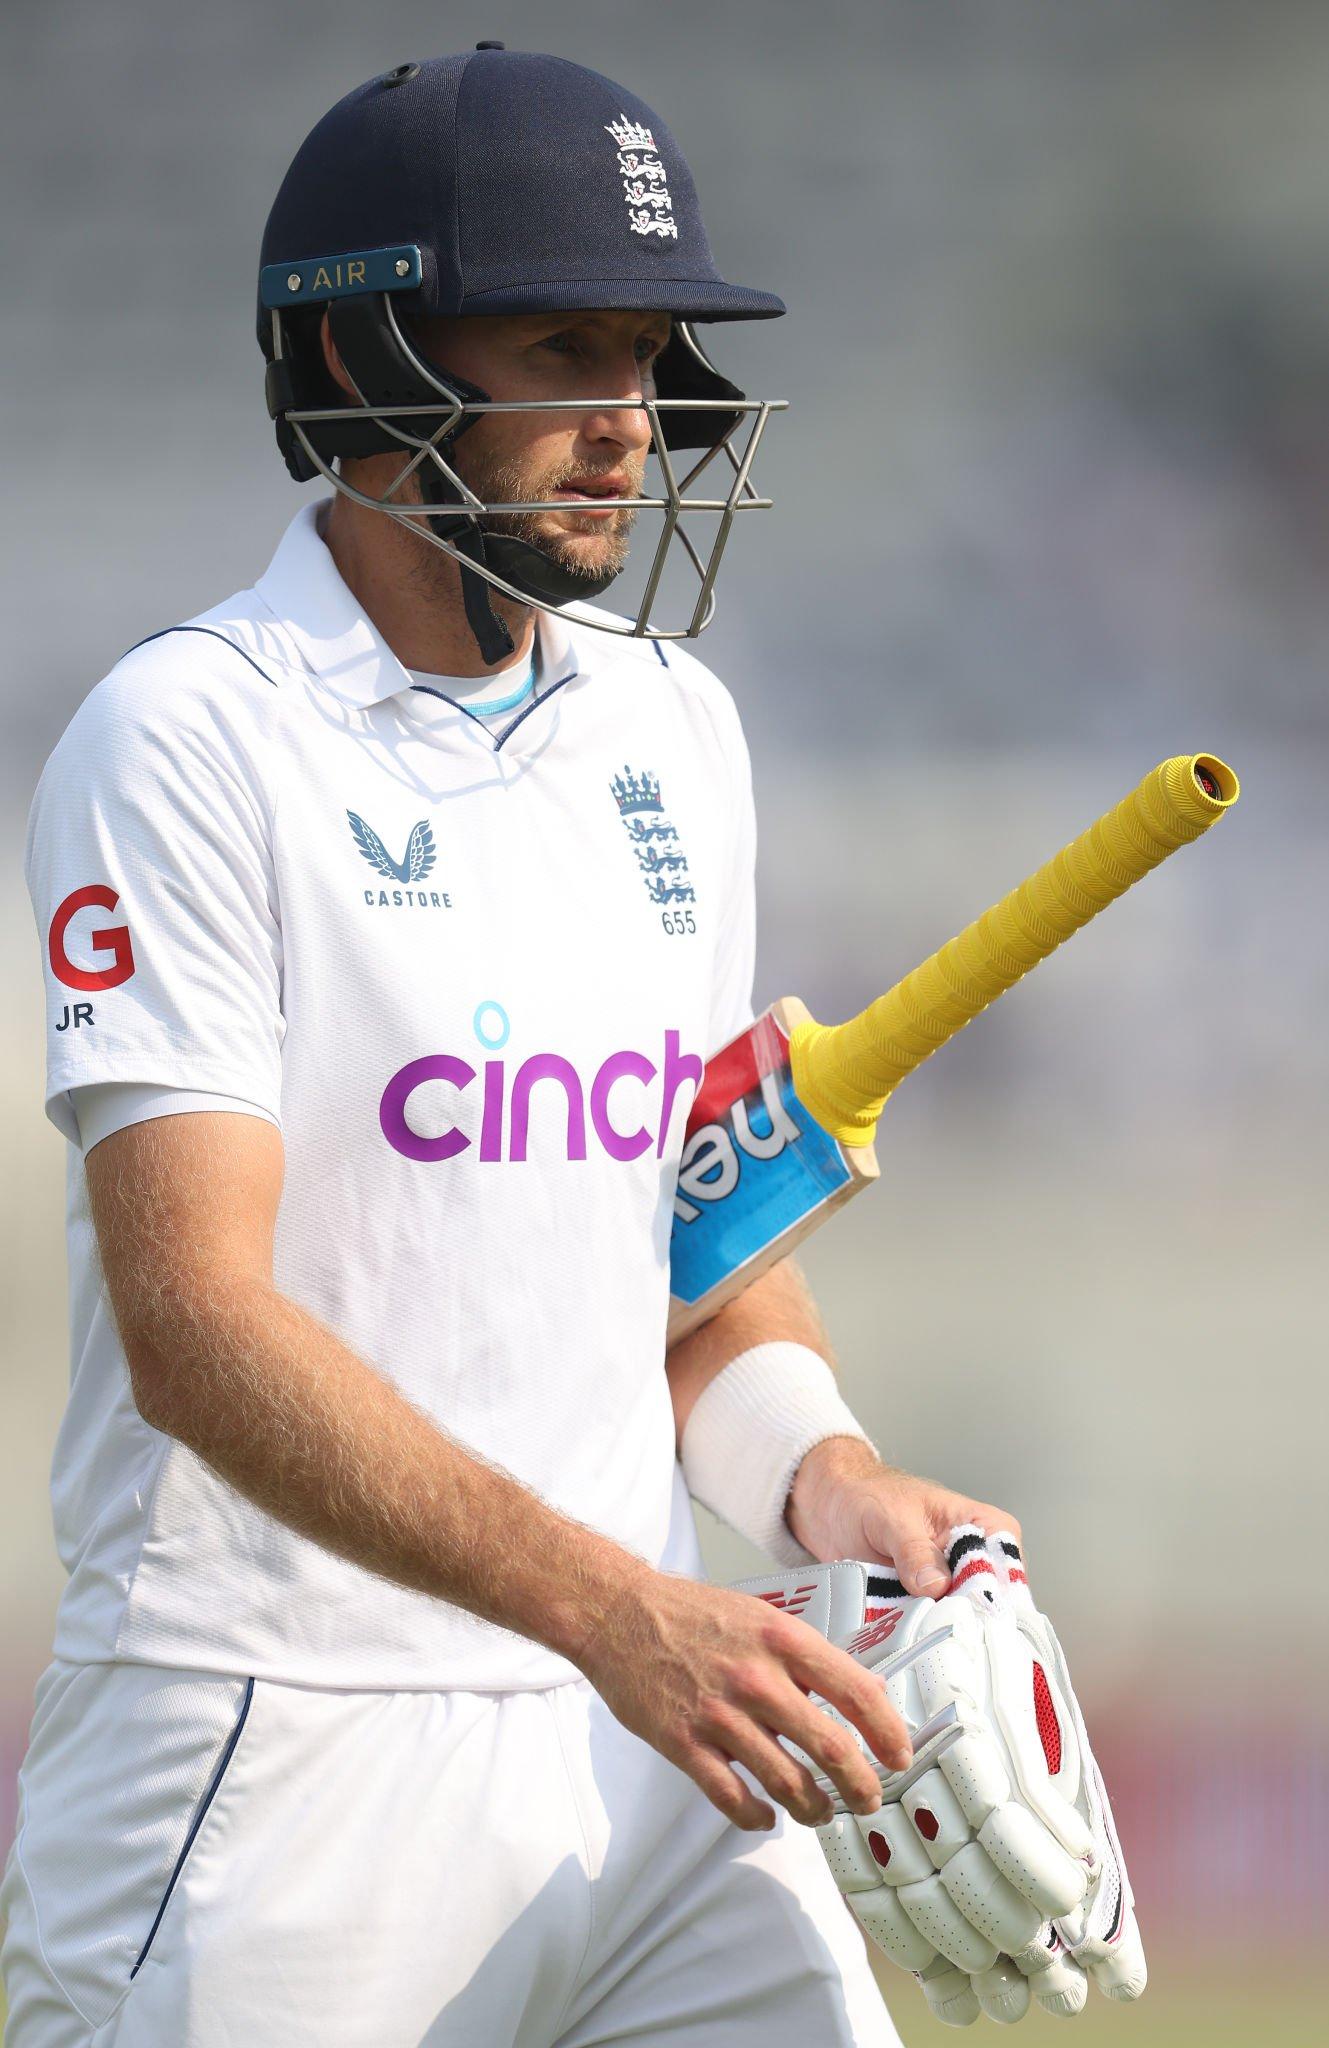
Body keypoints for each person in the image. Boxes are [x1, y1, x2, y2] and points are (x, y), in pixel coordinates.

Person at [3, 47, 1018, 2048]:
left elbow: (681, 1247)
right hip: (273, 1754)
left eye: (648, 362)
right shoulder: (189, 737)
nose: (630, 427)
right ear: (365, 361)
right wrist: (614, 1612)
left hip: (642, 1740)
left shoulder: (672, 731)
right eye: (567, 349)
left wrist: (817, 1479)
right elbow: (196, 1322)